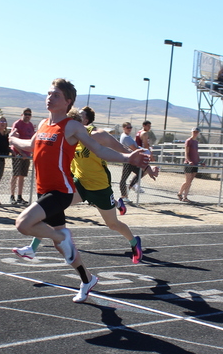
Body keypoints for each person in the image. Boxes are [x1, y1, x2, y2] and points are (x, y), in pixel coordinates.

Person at [9, 79, 147, 303]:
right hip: (44, 191)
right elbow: (30, 146)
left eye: (55, 95)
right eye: (48, 94)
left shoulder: (72, 127)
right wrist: (12, 137)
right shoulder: (43, 124)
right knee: (62, 247)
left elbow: (100, 149)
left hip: (61, 191)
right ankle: (87, 279)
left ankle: (60, 236)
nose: (49, 98)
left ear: (67, 101)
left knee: (23, 224)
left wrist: (126, 157)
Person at [13, 106, 143, 264]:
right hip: (79, 184)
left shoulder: (97, 135)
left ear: (85, 121)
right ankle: (32, 248)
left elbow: (120, 150)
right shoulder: (69, 135)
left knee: (113, 224)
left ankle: (134, 242)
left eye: (78, 118)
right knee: (52, 209)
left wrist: (144, 164)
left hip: (99, 187)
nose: (71, 120)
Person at [9, 108, 34, 205]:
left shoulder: (31, 125)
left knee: (22, 176)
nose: (27, 116)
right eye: (26, 114)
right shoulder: (17, 124)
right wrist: (20, 152)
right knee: (15, 174)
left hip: (26, 155)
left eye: (29, 114)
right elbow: (13, 140)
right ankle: (12, 196)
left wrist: (30, 152)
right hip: (17, 154)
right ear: (22, 114)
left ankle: (19, 196)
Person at [117, 121, 140, 212]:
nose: (129, 129)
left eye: (130, 127)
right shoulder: (125, 137)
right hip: (127, 160)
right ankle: (124, 195)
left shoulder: (128, 137)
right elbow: (134, 148)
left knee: (140, 172)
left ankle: (130, 187)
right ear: (123, 128)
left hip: (131, 160)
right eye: (128, 127)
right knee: (124, 178)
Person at [178, 127, 200, 201]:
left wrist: (199, 161)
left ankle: (185, 197)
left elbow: (196, 153)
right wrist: (189, 160)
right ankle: (180, 193)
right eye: (194, 132)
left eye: (196, 132)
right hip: (189, 164)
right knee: (187, 181)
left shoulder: (196, 142)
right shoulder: (188, 141)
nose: (195, 133)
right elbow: (186, 152)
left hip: (195, 163)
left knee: (190, 181)